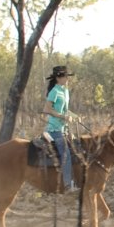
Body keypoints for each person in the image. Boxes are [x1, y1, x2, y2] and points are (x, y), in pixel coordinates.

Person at [42, 65, 79, 193]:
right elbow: (47, 109)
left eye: (67, 76)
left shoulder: (65, 91)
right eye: (65, 76)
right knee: (66, 154)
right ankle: (68, 184)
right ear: (58, 78)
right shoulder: (54, 92)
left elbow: (65, 109)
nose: (67, 79)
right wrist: (63, 117)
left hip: (64, 128)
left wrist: (74, 116)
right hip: (54, 128)